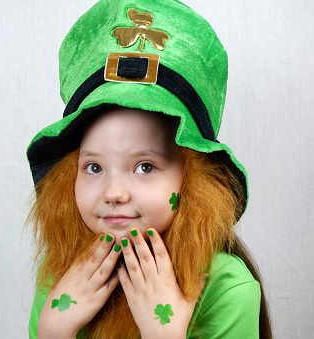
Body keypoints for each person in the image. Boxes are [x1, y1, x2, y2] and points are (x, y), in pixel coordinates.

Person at [26, 0, 272, 338]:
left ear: (193, 180)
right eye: (94, 167)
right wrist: (54, 330)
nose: (114, 193)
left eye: (145, 166)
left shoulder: (228, 289)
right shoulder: (62, 277)